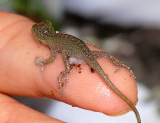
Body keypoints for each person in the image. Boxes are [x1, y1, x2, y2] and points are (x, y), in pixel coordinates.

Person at [0, 11, 138, 123]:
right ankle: (116, 65)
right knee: (100, 55)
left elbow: (52, 58)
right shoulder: (54, 38)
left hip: (80, 55)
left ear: (42, 40)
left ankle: (66, 71)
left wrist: (43, 63)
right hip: (85, 53)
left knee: (65, 52)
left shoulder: (52, 43)